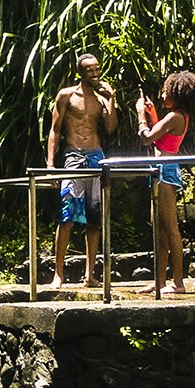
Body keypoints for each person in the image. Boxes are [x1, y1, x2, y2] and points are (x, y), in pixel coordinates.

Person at [42, 53, 118, 287]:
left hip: (96, 155)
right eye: (90, 70)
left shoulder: (100, 98)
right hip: (74, 156)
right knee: (67, 216)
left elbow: (111, 127)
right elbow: (55, 130)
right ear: (80, 73)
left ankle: (90, 275)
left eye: (97, 69)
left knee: (94, 218)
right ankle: (58, 274)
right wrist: (51, 165)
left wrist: (111, 98)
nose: (95, 74)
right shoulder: (66, 95)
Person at [138, 70, 195, 299]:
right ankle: (159, 281)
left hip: (166, 171)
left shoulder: (176, 116)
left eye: (165, 91)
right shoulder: (176, 116)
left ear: (176, 95)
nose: (161, 94)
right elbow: (161, 137)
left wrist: (140, 116)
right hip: (160, 171)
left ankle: (178, 282)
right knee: (160, 229)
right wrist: (153, 114)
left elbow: (147, 138)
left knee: (171, 227)